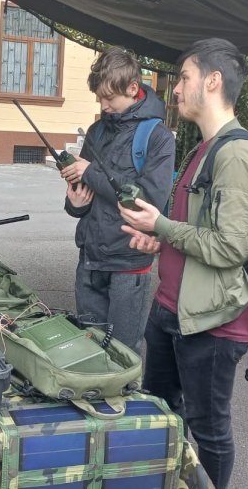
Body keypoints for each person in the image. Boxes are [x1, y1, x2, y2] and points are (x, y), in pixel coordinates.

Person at [119, 38, 248, 488]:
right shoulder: (204, 147)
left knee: (208, 429)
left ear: (213, 80)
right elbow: (197, 234)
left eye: (184, 78)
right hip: (172, 312)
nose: (176, 89)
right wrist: (159, 242)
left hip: (212, 323)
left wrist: (163, 227)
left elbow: (231, 247)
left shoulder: (238, 155)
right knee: (165, 419)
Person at [59, 46, 174, 354]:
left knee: (124, 350)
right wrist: (75, 204)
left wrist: (91, 172)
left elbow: (147, 199)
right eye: (99, 98)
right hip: (90, 258)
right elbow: (80, 194)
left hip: (128, 262)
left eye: (110, 98)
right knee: (89, 347)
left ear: (133, 88)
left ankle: (127, 402)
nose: (104, 105)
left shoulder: (157, 136)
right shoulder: (96, 131)